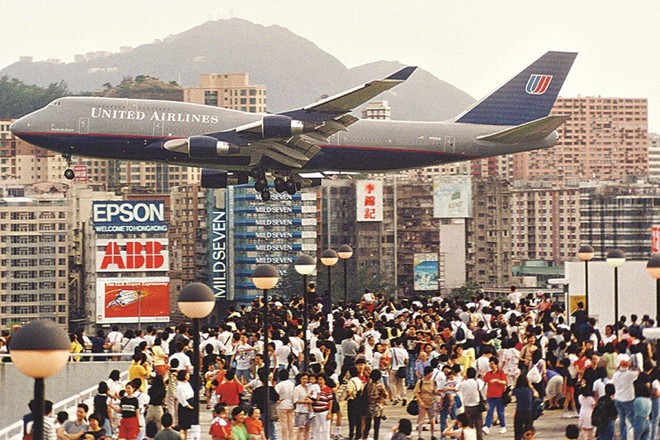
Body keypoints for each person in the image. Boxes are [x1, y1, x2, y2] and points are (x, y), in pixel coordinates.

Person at [612, 358, 639, 440]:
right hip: (628, 399)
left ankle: (623, 437)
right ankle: (629, 436)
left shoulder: (615, 374)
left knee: (622, 419)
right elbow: (638, 372)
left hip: (618, 398)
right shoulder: (630, 374)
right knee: (630, 420)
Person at [458, 367, 485, 440]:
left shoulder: (463, 383)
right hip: (476, 407)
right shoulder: (477, 382)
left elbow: (457, 387)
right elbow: (482, 386)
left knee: (469, 427)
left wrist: (463, 379)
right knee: (478, 426)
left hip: (467, 407)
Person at [415, 365, 439, 440]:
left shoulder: (433, 382)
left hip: (431, 402)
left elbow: (434, 391)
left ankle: (432, 434)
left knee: (432, 420)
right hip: (422, 402)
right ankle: (420, 436)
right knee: (421, 419)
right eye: (430, 373)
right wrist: (420, 401)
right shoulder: (420, 382)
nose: (431, 375)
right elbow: (416, 392)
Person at [512, 375, 537, 440]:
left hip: (519, 411)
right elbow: (536, 395)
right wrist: (531, 386)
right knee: (528, 431)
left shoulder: (517, 390)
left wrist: (515, 385)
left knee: (517, 431)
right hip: (528, 412)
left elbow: (510, 394)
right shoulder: (529, 390)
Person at [275, 369, 295, 440]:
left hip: (282, 404)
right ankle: (291, 437)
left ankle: (285, 438)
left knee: (284, 423)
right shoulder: (292, 384)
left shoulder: (279, 385)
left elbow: (276, 395)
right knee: (291, 422)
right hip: (291, 403)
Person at [175, 370, 194, 440]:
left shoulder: (188, 384)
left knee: (189, 426)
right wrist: (190, 407)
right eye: (187, 374)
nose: (188, 376)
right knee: (183, 427)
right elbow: (182, 399)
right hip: (185, 407)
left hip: (191, 402)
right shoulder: (179, 387)